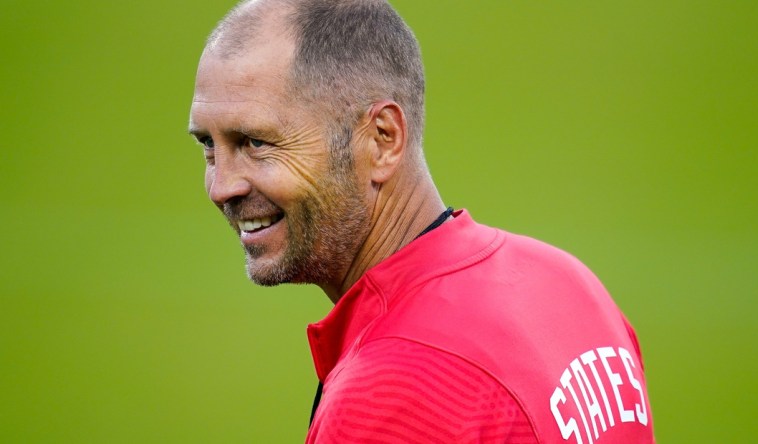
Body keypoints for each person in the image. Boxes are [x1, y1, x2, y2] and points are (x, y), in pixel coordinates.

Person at [188, 0, 656, 442]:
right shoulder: (568, 284)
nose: (221, 186)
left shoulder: (390, 398)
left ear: (382, 140)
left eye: (255, 143)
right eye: (209, 145)